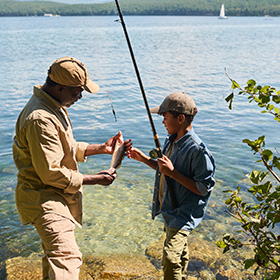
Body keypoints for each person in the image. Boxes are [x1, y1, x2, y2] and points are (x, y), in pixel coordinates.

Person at [12, 56, 130, 280]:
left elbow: (64, 148)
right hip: (44, 199)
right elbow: (50, 173)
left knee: (55, 257)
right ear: (60, 87)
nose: (80, 97)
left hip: (53, 195)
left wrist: (102, 148)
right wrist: (97, 179)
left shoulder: (52, 106)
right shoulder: (41, 118)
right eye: (77, 92)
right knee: (68, 257)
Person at [127, 92, 215, 280]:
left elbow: (203, 188)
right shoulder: (171, 140)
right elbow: (163, 171)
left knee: (170, 257)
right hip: (169, 209)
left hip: (183, 213)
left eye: (165, 117)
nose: (163, 122)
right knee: (179, 253)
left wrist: (173, 173)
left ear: (181, 118)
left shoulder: (198, 151)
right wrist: (142, 158)